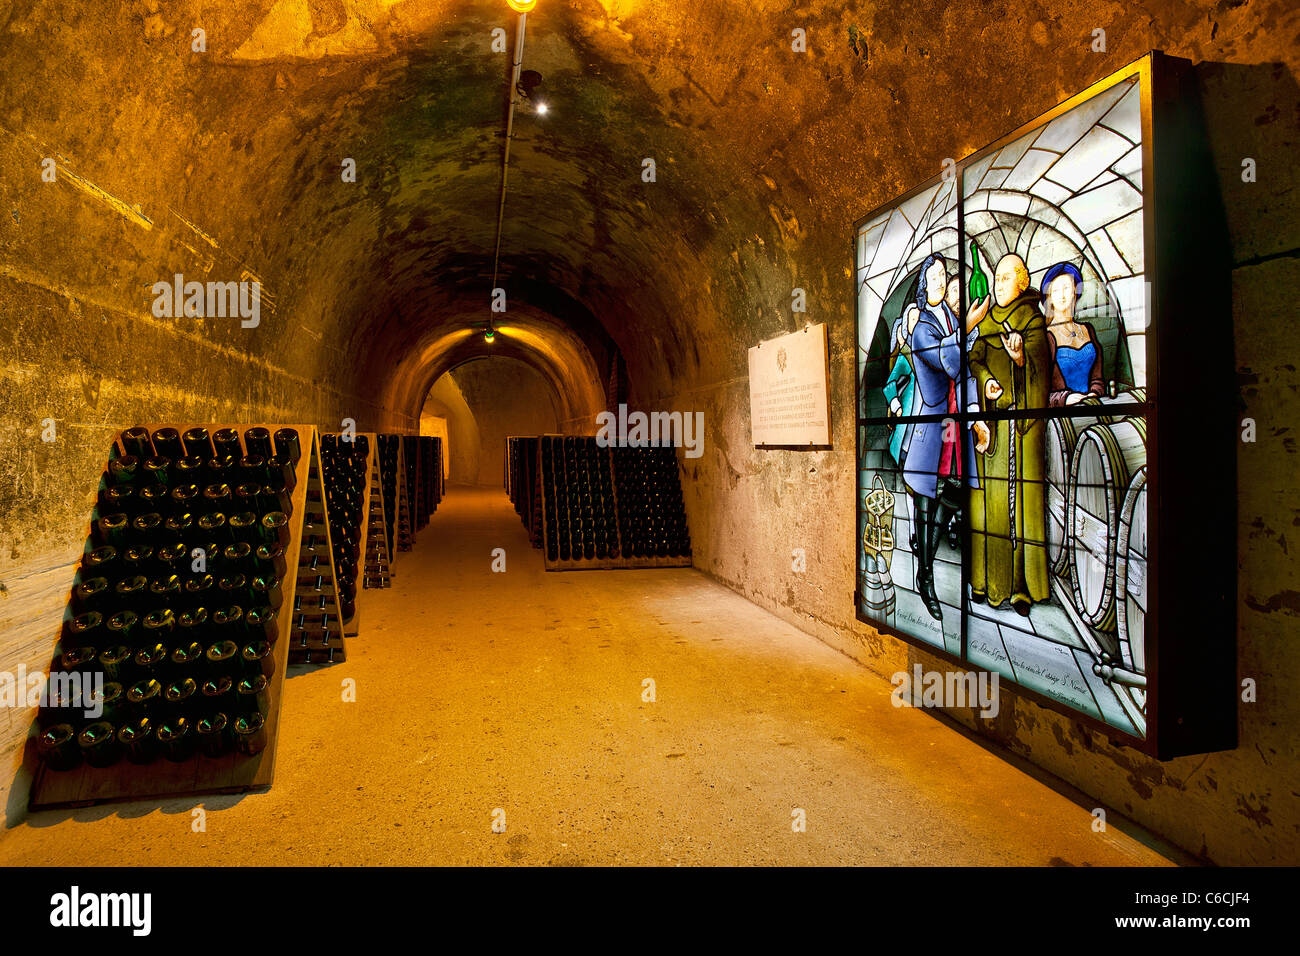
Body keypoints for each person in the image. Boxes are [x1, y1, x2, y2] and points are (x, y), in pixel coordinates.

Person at [902, 254, 988, 620]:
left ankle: (927, 570)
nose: (938, 281)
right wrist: (967, 328)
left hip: (955, 425)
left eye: (942, 275)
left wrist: (976, 416)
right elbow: (948, 361)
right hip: (933, 426)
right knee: (925, 499)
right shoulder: (923, 326)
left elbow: (965, 373)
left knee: (947, 499)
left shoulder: (951, 320)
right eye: (932, 276)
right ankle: (925, 579)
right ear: (924, 284)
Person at [967, 252, 1050, 615]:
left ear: (1022, 281)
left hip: (1021, 427)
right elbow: (975, 359)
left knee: (1018, 505)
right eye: (996, 278)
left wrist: (1019, 361)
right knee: (992, 504)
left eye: (1006, 278)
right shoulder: (987, 322)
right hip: (994, 425)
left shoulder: (1032, 318)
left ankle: (1019, 587)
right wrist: (986, 383)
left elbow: (1039, 370)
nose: (999, 284)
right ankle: (988, 582)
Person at [1041, 262, 1105, 406]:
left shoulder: (1088, 330)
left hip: (1091, 406)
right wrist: (1064, 398)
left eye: (1066, 288)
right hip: (1062, 418)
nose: (1062, 295)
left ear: (1075, 291)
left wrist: (1094, 393)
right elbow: (1038, 391)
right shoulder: (1046, 337)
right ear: (1049, 296)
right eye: (1056, 290)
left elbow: (1098, 378)